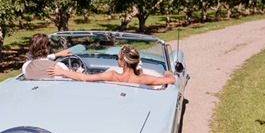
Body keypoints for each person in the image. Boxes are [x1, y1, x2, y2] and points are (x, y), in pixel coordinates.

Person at [48, 45, 176, 86]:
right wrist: (167, 72)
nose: (116, 60)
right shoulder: (144, 79)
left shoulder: (112, 75)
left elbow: (84, 78)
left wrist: (62, 72)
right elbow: (171, 80)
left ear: (123, 62)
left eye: (117, 58)